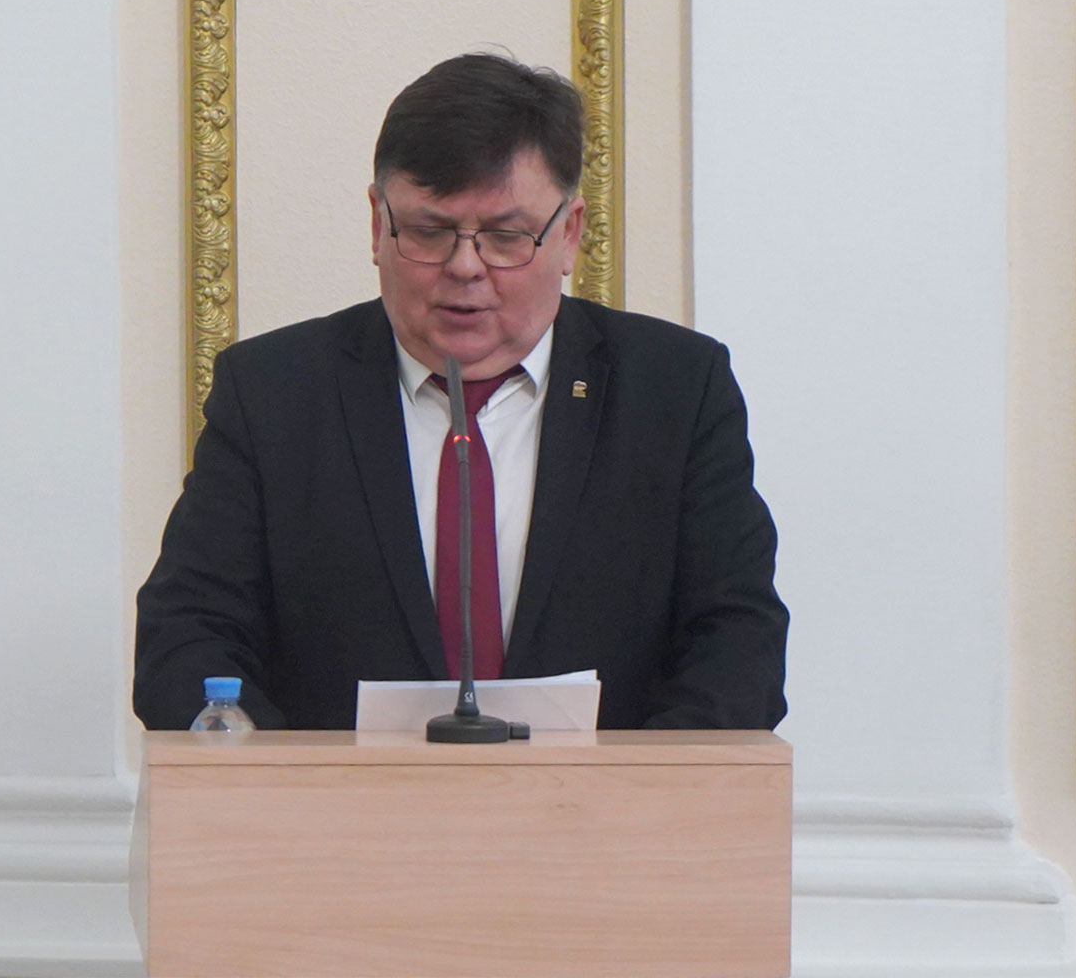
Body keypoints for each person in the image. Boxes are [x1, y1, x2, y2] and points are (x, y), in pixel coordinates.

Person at [134, 53, 787, 731]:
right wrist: (302, 785)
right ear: (377, 223)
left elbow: (739, 643)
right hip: (336, 801)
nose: (465, 267)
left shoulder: (676, 390)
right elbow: (185, 641)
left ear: (569, 234)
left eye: (506, 237)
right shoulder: (274, 394)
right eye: (429, 231)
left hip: (610, 800)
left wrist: (629, 788)